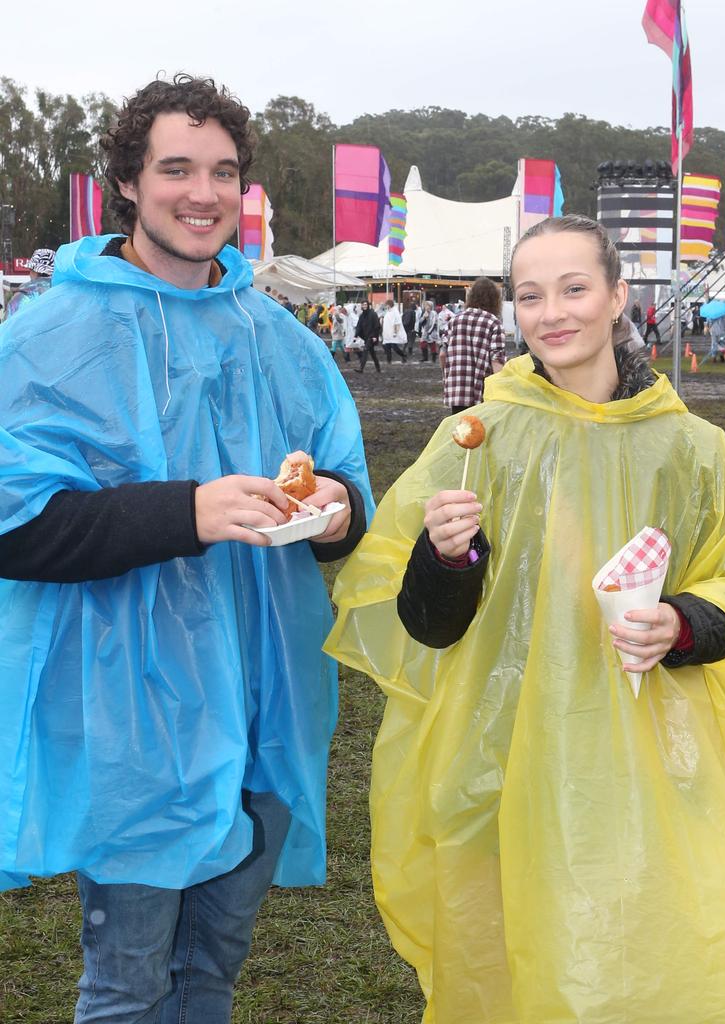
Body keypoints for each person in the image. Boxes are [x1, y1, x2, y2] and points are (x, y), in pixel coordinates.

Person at [326, 214, 725, 1024]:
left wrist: (682, 623)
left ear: (616, 297)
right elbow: (420, 620)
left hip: (647, 759)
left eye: (574, 288)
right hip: (501, 751)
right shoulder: (478, 439)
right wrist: (446, 556)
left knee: (648, 947)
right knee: (505, 957)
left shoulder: (694, 450)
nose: (552, 312)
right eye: (530, 295)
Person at [0, 74, 374, 1024]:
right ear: (127, 182)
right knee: (128, 987)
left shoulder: (279, 338)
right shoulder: (49, 336)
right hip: (135, 722)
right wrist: (186, 513)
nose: (202, 193)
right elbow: (15, 527)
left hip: (263, 706)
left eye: (222, 172)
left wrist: (336, 509)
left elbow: (344, 490)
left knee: (210, 977)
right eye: (176, 168)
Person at [442, 276, 506, 414]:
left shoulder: (454, 321)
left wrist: (447, 376)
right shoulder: (494, 323)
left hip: (457, 390)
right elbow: (497, 363)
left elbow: (442, 354)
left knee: (461, 432)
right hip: (482, 393)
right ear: (494, 300)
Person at [4, 247, 56, 318]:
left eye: (30, 270)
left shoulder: (21, 297)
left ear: (34, 271)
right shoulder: (64, 294)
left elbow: (7, 326)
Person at [353, 298, 381, 373]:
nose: (364, 306)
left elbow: (377, 325)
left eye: (365, 304)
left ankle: (361, 369)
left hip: (372, 336)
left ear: (368, 305)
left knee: (365, 350)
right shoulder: (362, 316)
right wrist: (356, 335)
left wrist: (375, 336)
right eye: (363, 305)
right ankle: (378, 368)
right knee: (372, 353)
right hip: (366, 336)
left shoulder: (373, 314)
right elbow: (359, 326)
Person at [382, 298, 407, 363]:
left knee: (394, 347)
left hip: (393, 332)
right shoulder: (388, 311)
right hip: (387, 333)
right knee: (387, 347)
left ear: (389, 305)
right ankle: (389, 360)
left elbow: (397, 322)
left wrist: (395, 332)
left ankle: (403, 355)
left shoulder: (395, 311)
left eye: (387, 304)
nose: (386, 306)